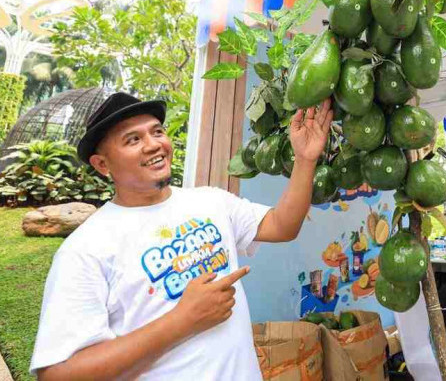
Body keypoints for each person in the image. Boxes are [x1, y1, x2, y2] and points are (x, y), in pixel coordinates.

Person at [30, 92, 333, 380]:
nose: (153, 145)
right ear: (102, 164)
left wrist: (305, 159)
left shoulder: (210, 202)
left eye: (157, 132)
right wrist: (183, 321)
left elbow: (283, 226)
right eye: (133, 139)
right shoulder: (86, 249)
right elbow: (58, 373)